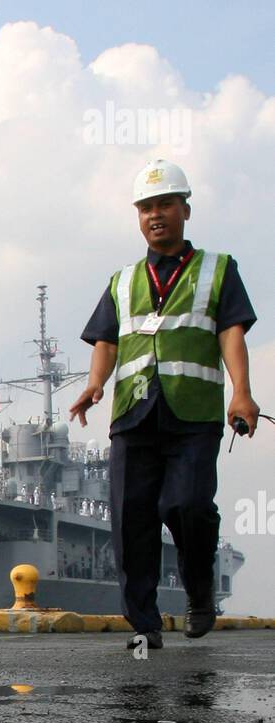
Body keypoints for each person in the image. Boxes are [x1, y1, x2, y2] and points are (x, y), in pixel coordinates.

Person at [70, 159, 258, 652]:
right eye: (146, 207)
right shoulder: (123, 280)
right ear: (138, 216)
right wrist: (95, 384)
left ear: (185, 210)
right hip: (134, 414)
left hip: (193, 414)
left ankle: (200, 597)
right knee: (131, 518)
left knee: (187, 505)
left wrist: (241, 391)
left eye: (166, 205)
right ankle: (144, 623)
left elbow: (230, 331)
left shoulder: (219, 269)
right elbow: (107, 340)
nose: (156, 215)